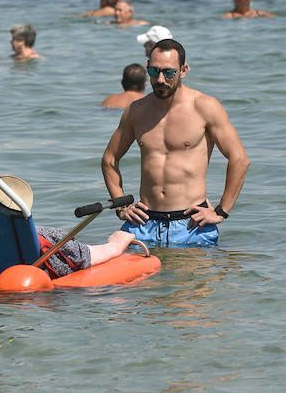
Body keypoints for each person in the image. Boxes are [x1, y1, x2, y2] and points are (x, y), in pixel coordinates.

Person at [101, 38, 250, 247]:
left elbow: (239, 159)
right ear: (147, 69)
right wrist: (120, 205)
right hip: (143, 224)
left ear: (183, 70)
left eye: (169, 72)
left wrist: (221, 211)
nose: (160, 79)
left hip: (191, 226)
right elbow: (110, 158)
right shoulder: (136, 111)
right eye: (154, 72)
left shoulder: (205, 107)